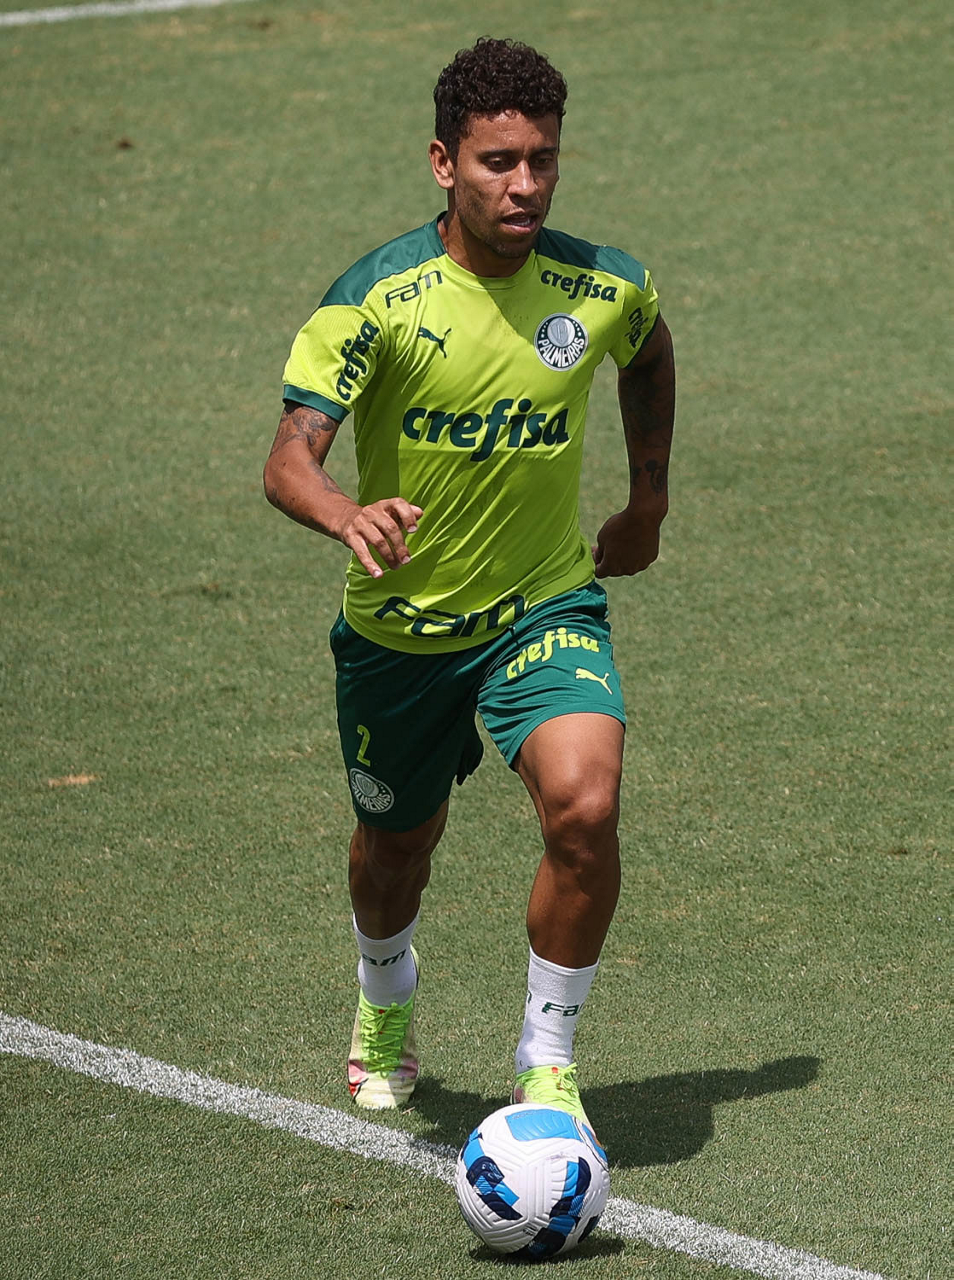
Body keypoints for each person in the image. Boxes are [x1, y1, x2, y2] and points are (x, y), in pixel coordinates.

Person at [263, 37, 675, 1126]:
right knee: (395, 851)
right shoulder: (375, 301)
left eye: (544, 159)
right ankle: (384, 995)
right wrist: (346, 512)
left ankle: (547, 1060)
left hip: (543, 605)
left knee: (586, 806)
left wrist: (647, 499)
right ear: (444, 163)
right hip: (402, 631)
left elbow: (646, 349)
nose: (526, 185)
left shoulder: (601, 286)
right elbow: (288, 461)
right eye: (499, 162)